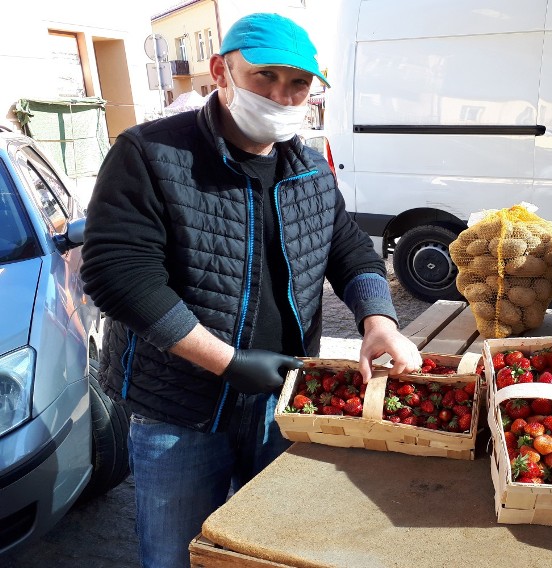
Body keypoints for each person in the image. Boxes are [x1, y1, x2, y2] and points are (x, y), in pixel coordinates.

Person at [80, 13, 421, 568]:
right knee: (176, 554)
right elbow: (118, 275)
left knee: (269, 550)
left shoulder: (309, 169)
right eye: (264, 77)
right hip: (179, 411)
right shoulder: (150, 154)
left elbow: (350, 251)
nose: (282, 96)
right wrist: (226, 361)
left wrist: (378, 320)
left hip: (284, 401)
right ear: (221, 70)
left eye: (298, 84)